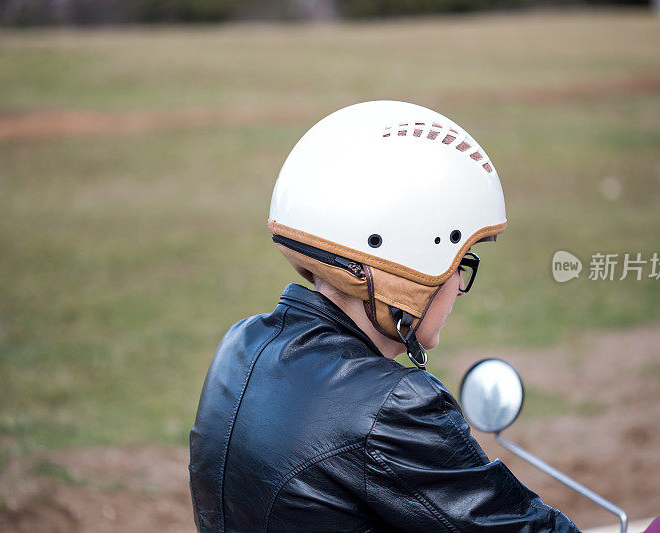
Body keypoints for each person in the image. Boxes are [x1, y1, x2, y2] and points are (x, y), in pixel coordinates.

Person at [189, 101, 579, 532]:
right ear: (410, 260)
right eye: (459, 264)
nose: (460, 288)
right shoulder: (392, 409)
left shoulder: (242, 347)